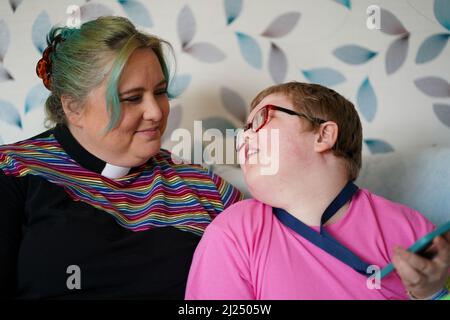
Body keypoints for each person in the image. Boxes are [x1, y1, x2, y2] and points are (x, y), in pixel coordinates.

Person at [0, 16, 242, 299]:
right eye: (132, 98)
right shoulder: (14, 171)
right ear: (73, 106)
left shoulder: (205, 187)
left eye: (160, 92)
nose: (155, 112)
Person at [185, 81, 450, 300]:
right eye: (244, 130)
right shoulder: (233, 232)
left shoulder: (412, 231)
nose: (244, 137)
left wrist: (432, 293)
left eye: (262, 119)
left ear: (323, 136)